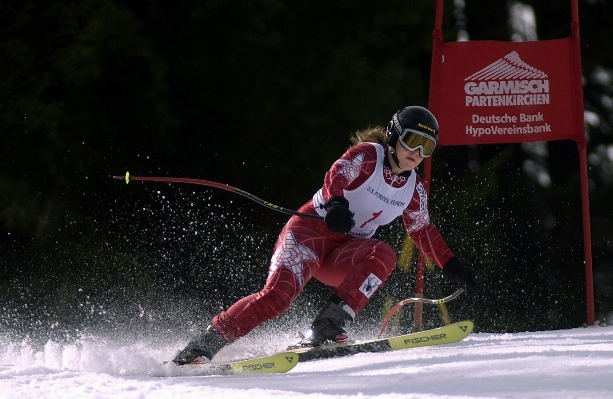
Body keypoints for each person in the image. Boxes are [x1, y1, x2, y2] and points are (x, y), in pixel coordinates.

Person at [172, 106, 482, 365]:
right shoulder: (368, 157)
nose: (416, 152)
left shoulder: (414, 188)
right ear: (394, 135)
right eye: (412, 140)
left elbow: (422, 230)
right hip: (310, 235)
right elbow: (337, 174)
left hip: (344, 253)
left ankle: (328, 323)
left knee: (384, 254)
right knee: (277, 299)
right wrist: (335, 204)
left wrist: (454, 267)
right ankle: (202, 346)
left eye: (425, 147)